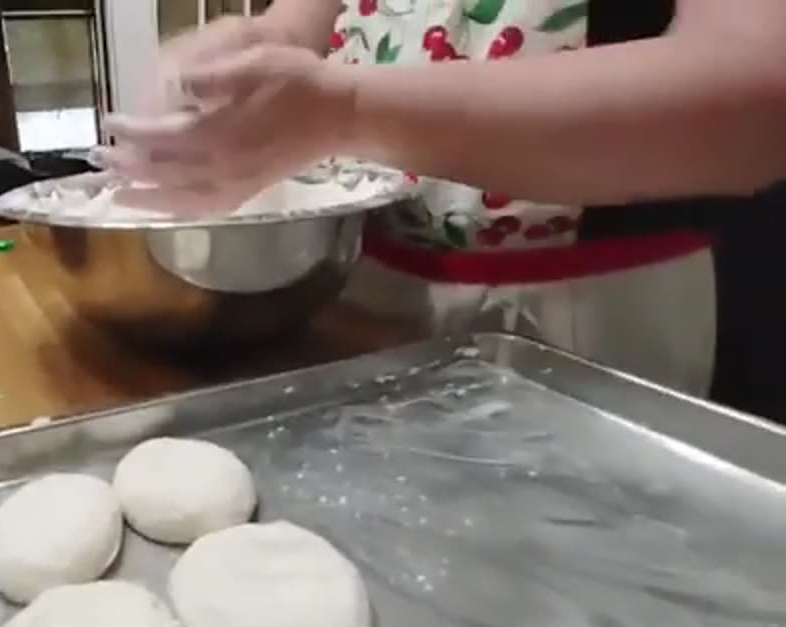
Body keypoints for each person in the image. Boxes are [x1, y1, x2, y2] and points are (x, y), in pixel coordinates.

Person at [101, 0, 786, 413]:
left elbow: (757, 96)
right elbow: (293, 25)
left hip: (605, 332)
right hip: (363, 305)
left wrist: (346, 110)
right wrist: (233, 51)